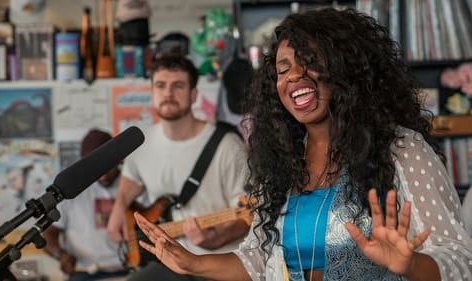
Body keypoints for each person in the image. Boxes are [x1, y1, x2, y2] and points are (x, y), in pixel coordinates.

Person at [132, 8, 472, 281]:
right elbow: (258, 261)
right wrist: (191, 263)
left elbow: (458, 260)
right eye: (283, 69)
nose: (293, 76)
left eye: (309, 61)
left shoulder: (403, 150)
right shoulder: (282, 162)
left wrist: (410, 265)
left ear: (347, 69)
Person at [106, 54, 250, 281]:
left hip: (218, 265)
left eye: (178, 85)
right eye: (160, 85)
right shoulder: (141, 144)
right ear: (152, 93)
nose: (168, 93)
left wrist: (214, 238)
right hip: (166, 263)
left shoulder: (228, 146)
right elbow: (131, 180)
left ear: (194, 94)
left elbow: (246, 218)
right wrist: (118, 207)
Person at [43, 129, 129, 281]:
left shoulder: (132, 183)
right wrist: (61, 255)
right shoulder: (71, 189)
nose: (103, 174)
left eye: (108, 165)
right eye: (97, 168)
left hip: (128, 268)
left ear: (118, 160)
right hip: (84, 271)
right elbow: (49, 233)